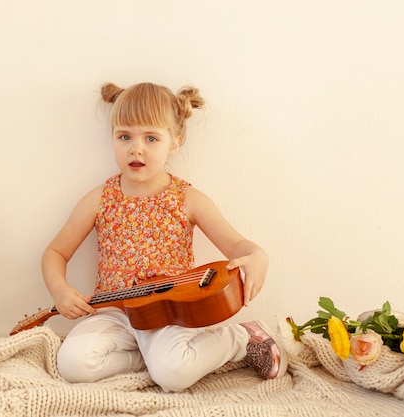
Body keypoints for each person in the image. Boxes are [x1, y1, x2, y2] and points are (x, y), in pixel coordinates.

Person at [41, 81, 287, 392]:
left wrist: (258, 256)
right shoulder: (99, 199)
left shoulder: (188, 199)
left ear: (174, 142)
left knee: (173, 376)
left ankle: (241, 339)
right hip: (115, 314)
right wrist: (60, 290)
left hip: (169, 316)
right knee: (73, 364)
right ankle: (151, 361)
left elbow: (237, 245)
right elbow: (56, 252)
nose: (136, 148)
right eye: (125, 136)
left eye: (151, 138)